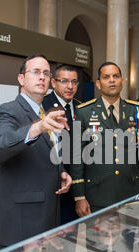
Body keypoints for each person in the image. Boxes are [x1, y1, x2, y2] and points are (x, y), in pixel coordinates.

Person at [0, 54, 72, 250]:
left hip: (47, 216)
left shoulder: (44, 112)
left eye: (45, 73)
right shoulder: (9, 111)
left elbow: (45, 153)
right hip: (20, 221)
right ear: (21, 79)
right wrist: (37, 127)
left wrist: (60, 171)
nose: (41, 77)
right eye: (35, 72)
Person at [70, 62, 139, 215]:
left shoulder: (136, 111)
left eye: (116, 76)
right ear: (98, 84)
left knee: (129, 238)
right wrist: (79, 196)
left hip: (130, 194)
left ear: (123, 81)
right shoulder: (83, 112)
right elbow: (76, 157)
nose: (112, 80)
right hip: (97, 195)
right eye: (106, 77)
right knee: (96, 238)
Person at [43, 64, 81, 224]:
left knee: (70, 241)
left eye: (74, 82)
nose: (70, 86)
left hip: (76, 189)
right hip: (52, 187)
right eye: (64, 81)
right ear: (53, 82)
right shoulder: (42, 107)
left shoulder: (81, 108)